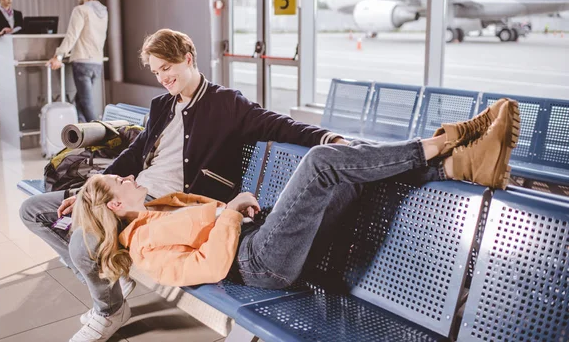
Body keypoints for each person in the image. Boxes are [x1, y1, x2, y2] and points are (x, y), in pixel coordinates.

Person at [70, 97, 520, 341]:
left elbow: (208, 227)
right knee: (324, 161)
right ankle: (437, 145)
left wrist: (233, 210)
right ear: (114, 206)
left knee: (347, 177)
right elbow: (206, 266)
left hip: (260, 240)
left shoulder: (153, 210)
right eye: (120, 183)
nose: (127, 177)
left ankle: (456, 167)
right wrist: (228, 214)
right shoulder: (143, 245)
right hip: (259, 264)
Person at [21, 28, 346, 342]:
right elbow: (136, 154)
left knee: (83, 243)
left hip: (163, 207)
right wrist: (88, 190)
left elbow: (277, 124)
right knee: (32, 210)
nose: (162, 78)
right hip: (132, 190)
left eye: (167, 68)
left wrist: (328, 137)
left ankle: (109, 309)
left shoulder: (226, 104)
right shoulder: (162, 105)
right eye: (155, 71)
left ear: (188, 59)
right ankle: (109, 280)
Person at [47, 0, 108, 122]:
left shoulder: (80, 10)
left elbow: (72, 36)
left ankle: (103, 134)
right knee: (80, 102)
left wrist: (59, 56)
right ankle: (83, 136)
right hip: (97, 63)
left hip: (82, 62)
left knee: (85, 102)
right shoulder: (103, 12)